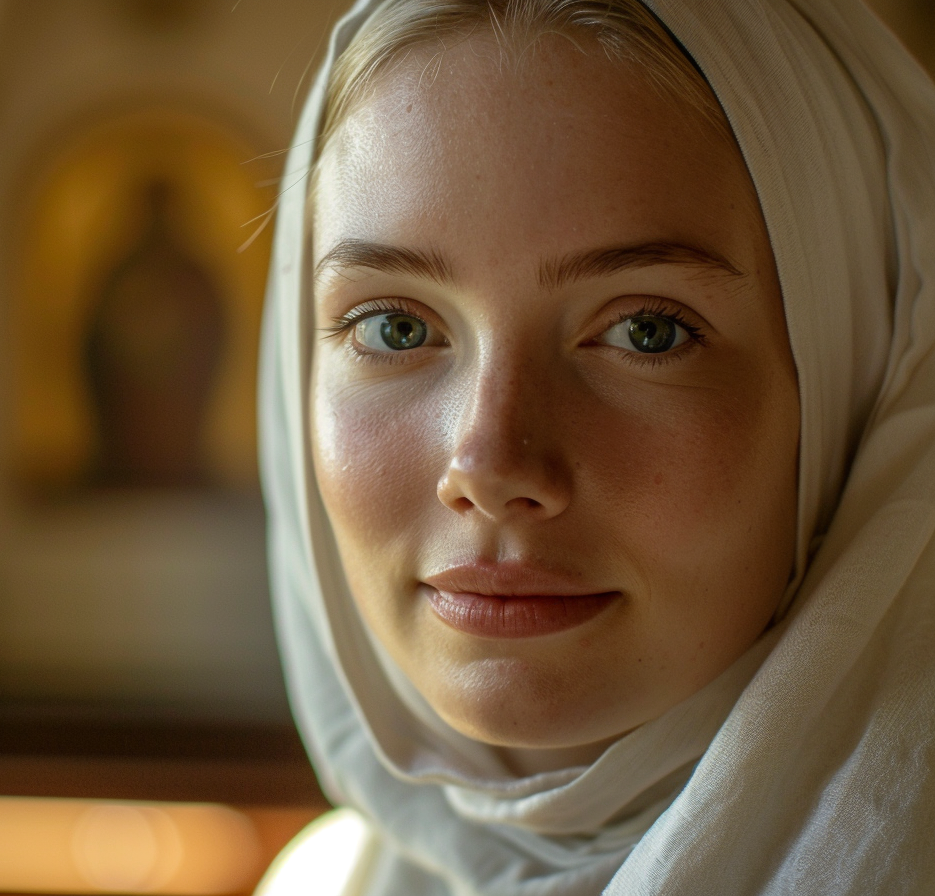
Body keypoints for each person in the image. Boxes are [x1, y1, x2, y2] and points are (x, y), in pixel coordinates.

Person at [257, 0, 935, 893]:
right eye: (392, 327)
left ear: (860, 366)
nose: (491, 467)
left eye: (648, 331)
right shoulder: (330, 879)